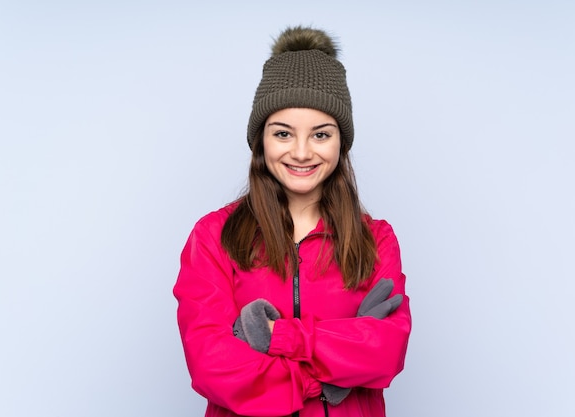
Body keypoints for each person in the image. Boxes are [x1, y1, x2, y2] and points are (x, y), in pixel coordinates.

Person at [173, 26, 412, 417]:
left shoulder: (377, 239)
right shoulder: (214, 236)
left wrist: (277, 337)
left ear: (341, 142)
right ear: (261, 141)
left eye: (321, 134)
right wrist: (330, 377)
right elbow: (211, 366)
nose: (302, 153)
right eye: (283, 133)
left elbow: (386, 351)